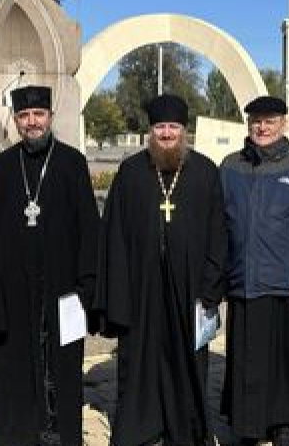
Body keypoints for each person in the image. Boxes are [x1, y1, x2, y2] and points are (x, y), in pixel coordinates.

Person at [0, 85, 101, 446]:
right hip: (15, 292)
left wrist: (87, 287)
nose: (32, 122)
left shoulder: (72, 163)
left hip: (64, 289)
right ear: (16, 121)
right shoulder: (1, 169)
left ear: (50, 116)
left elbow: (89, 229)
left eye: (38, 114)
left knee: (63, 368)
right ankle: (19, 434)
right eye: (24, 116)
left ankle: (62, 432)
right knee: (16, 370)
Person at [100, 94, 227, 446]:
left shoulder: (204, 171)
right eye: (160, 127)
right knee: (140, 360)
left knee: (187, 360)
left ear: (184, 131)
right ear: (150, 132)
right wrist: (118, 292)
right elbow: (113, 235)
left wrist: (210, 287)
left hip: (190, 289)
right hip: (142, 289)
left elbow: (219, 233)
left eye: (173, 127)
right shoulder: (131, 171)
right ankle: (142, 427)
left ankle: (186, 429)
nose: (167, 133)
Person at [219, 95, 289, 446]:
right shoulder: (231, 166)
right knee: (246, 359)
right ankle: (247, 426)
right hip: (243, 281)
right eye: (256, 121)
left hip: (285, 282)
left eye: (269, 121)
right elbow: (219, 222)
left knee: (285, 360)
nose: (262, 127)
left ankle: (284, 424)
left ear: (283, 123)